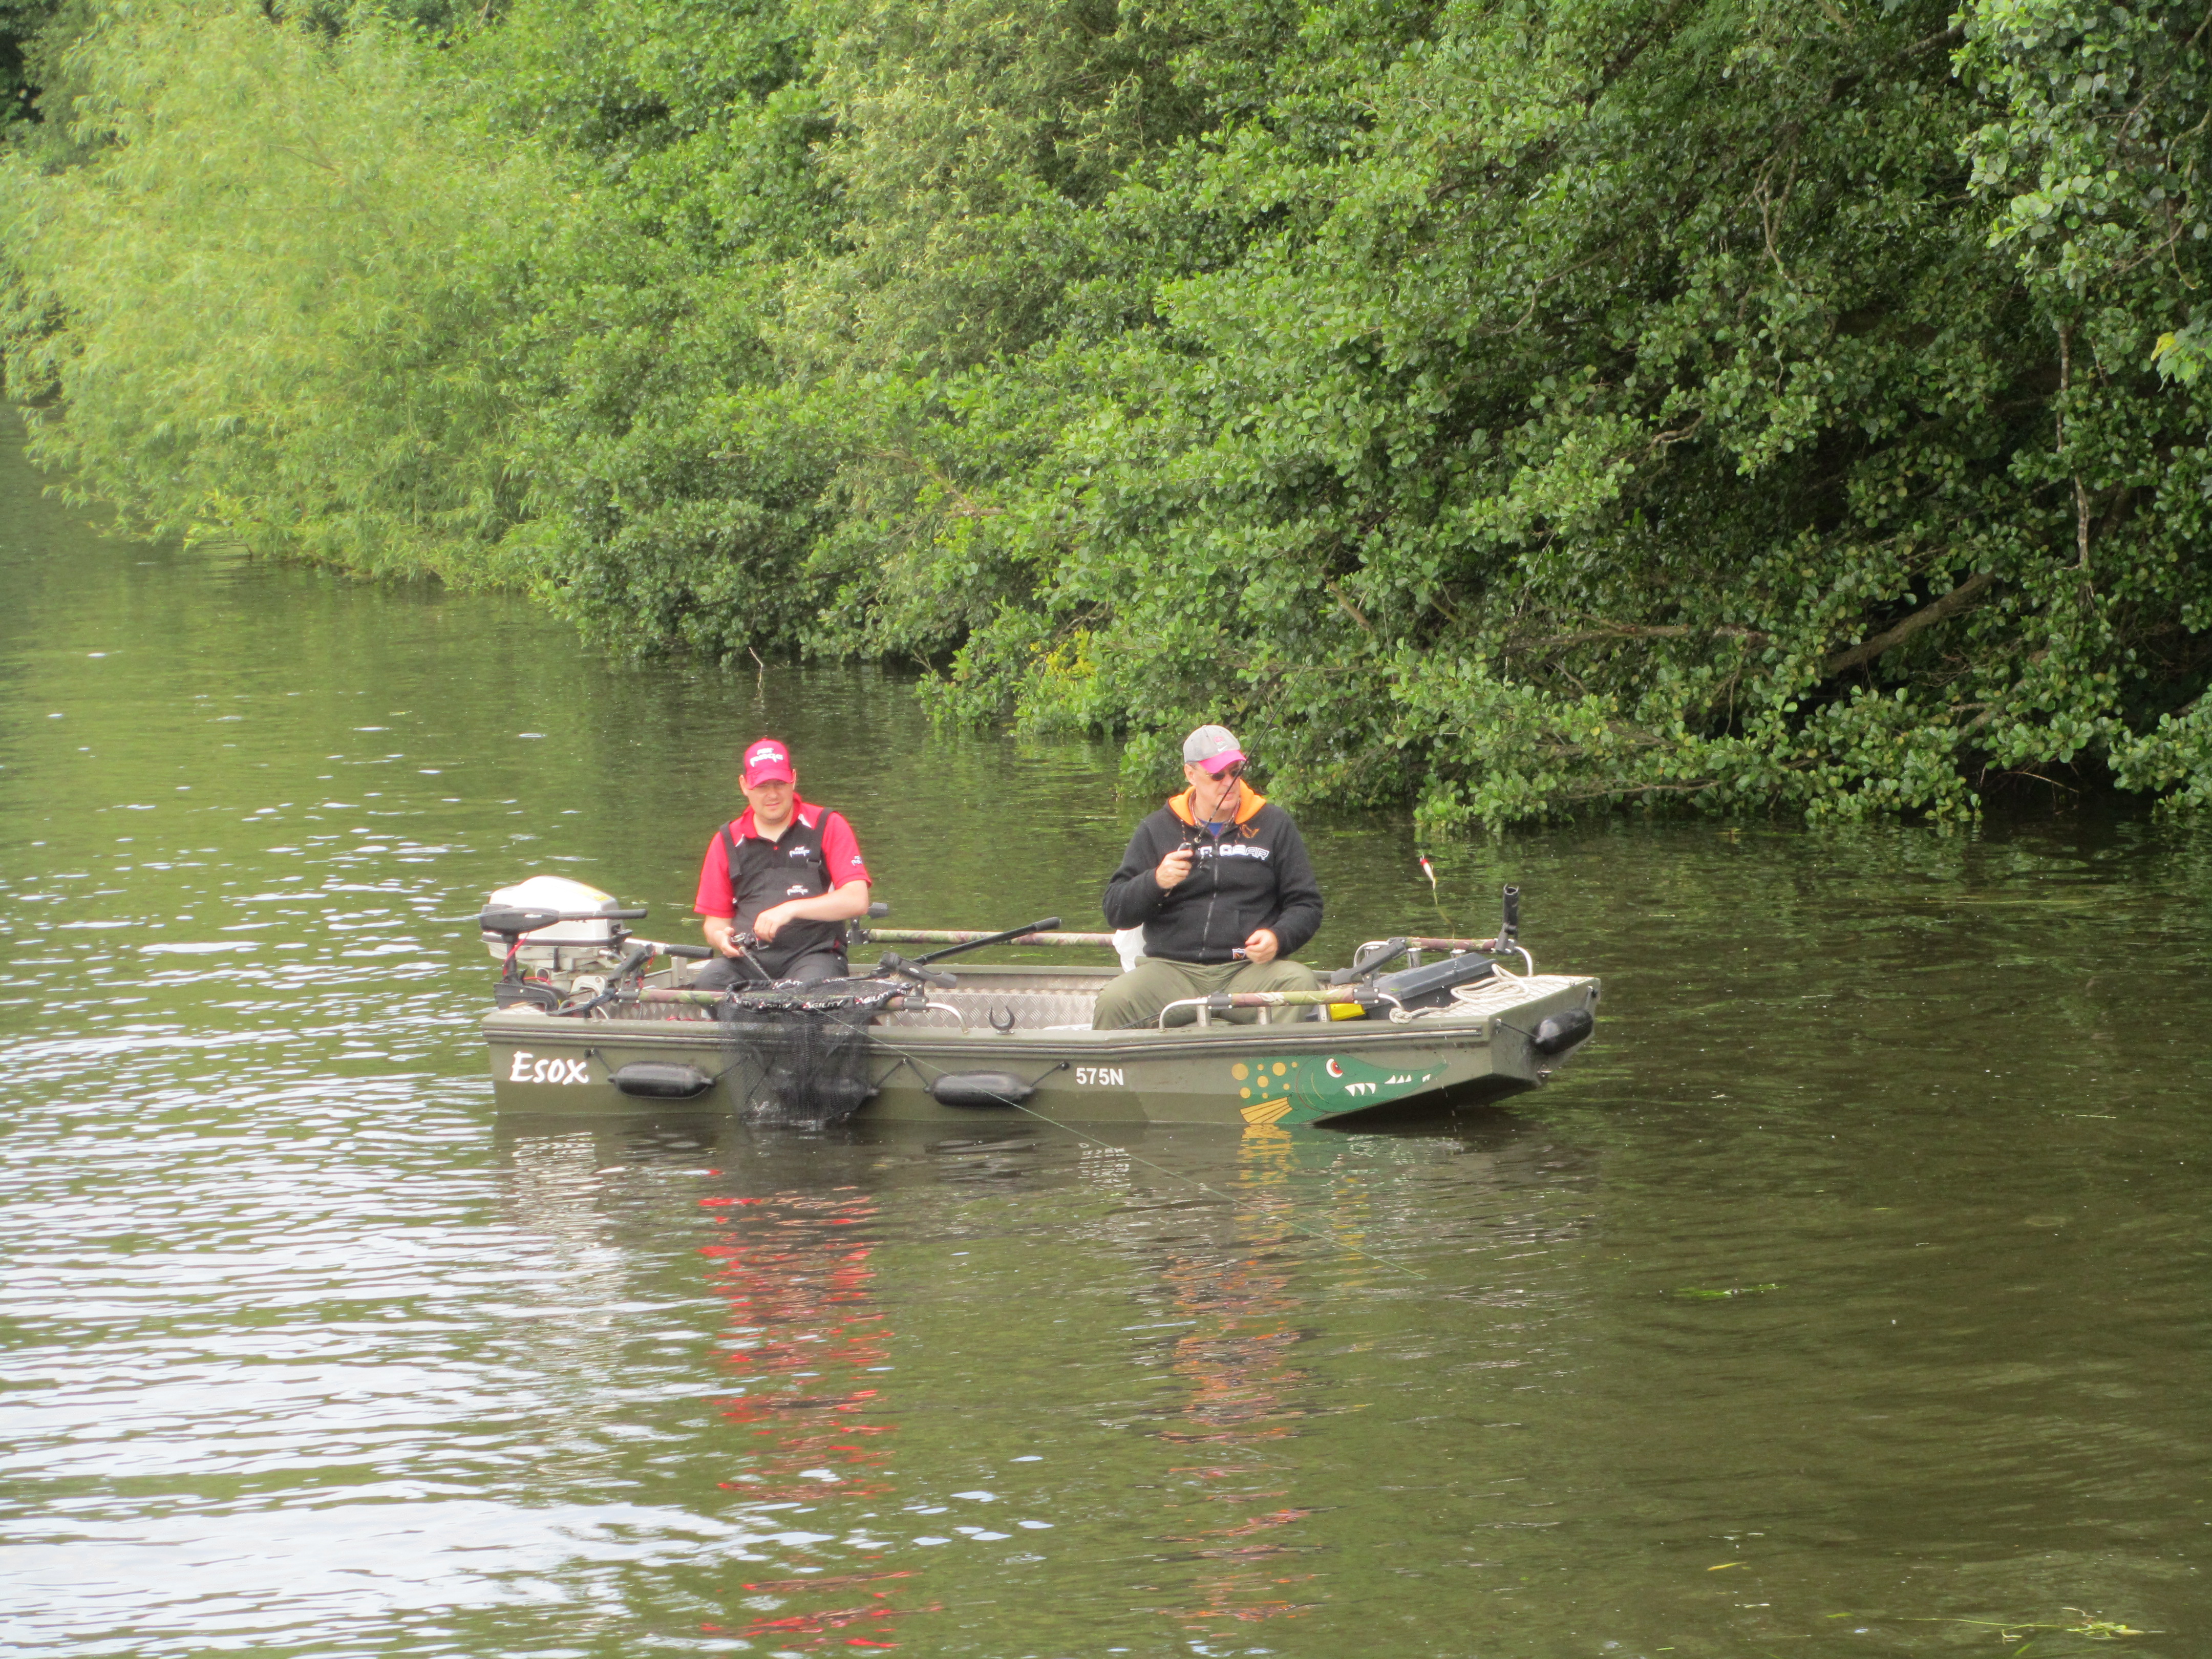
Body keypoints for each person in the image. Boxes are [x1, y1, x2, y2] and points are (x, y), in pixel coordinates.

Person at [1093, 725, 1324, 1029]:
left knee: (1300, 984)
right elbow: (1116, 910)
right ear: (1191, 774)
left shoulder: (1275, 824)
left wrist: (1277, 938)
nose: (1229, 783)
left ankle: (1270, 1073)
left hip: (1247, 970)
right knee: (1114, 1001)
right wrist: (1156, 881)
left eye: (1236, 772)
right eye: (1217, 776)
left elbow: (1306, 905)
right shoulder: (1155, 828)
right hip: (1171, 971)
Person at [692, 737, 873, 988]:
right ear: (744, 785)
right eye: (763, 786)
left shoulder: (828, 824)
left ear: (794, 779)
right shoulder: (726, 840)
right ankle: (749, 1027)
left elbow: (857, 900)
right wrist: (720, 938)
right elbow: (715, 922)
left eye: (780, 784)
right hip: (749, 958)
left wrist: (791, 909)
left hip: (814, 955)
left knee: (805, 996)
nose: (773, 795)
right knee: (708, 985)